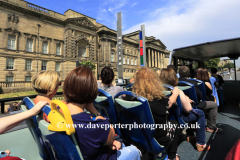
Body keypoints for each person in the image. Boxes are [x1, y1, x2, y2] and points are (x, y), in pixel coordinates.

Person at [63, 66, 141, 160]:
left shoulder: (56, 115)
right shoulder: (97, 125)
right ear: (92, 92)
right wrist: (95, 112)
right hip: (102, 155)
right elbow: (110, 135)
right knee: (135, 150)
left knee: (121, 145)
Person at [124, 67, 181, 160]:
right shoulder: (157, 98)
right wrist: (175, 94)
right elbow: (169, 104)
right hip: (156, 137)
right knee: (175, 124)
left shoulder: (129, 96)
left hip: (135, 134)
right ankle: (172, 157)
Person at [160, 68, 210, 151]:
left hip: (163, 119)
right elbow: (188, 109)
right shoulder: (177, 91)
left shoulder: (157, 91)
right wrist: (187, 100)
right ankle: (200, 143)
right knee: (200, 113)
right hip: (178, 119)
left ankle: (190, 135)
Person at [32, 71, 99, 122]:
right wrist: (94, 111)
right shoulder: (59, 106)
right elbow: (81, 123)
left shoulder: (33, 102)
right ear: (53, 87)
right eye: (59, 84)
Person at [178, 66, 222, 133]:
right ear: (189, 73)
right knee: (213, 105)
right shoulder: (193, 83)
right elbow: (200, 96)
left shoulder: (174, 83)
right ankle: (211, 127)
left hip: (179, 105)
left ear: (179, 73)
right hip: (193, 105)